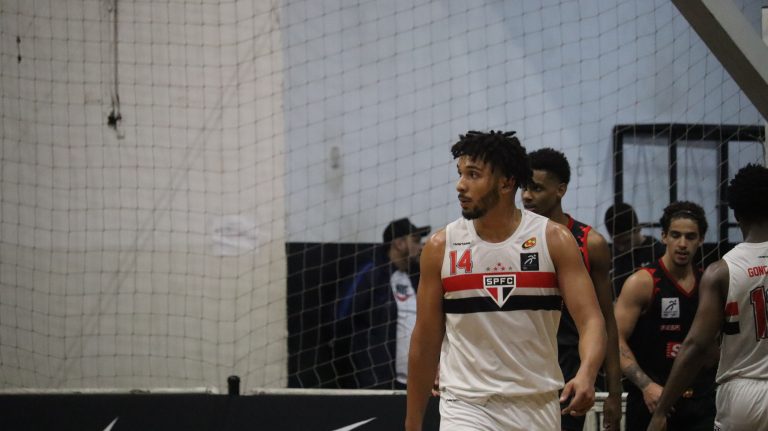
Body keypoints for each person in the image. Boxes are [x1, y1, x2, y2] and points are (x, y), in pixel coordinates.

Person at [406, 131, 607, 431]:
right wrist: (412, 423)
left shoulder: (554, 240)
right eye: (460, 173)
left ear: (506, 182)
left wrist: (587, 373)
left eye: (473, 174)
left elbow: (591, 320)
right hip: (465, 405)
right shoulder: (440, 247)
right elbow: (424, 340)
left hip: (537, 404)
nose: (460, 185)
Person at [648, 164, 768, 431]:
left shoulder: (720, 271)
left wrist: (662, 410)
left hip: (742, 393)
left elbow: (696, 346)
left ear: (735, 213)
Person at [522, 148, 622, 431]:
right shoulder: (512, 239)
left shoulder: (590, 243)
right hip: (522, 365)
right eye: (524, 188)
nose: (526, 196)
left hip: (569, 369)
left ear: (560, 190)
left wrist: (614, 393)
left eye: (536, 188)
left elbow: (607, 321)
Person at [614, 201, 717, 431]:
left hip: (699, 403)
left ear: (701, 240)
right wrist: (646, 385)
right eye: (675, 235)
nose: (682, 244)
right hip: (650, 401)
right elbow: (614, 339)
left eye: (690, 237)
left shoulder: (709, 284)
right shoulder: (642, 282)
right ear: (664, 237)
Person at [337, 217, 430, 389]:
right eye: (416, 241)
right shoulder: (371, 272)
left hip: (412, 380)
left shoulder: (415, 277)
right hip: (377, 380)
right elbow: (342, 314)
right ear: (399, 243)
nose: (421, 247)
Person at [604, 203, 666, 297]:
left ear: (638, 229)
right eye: (617, 242)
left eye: (626, 242)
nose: (621, 247)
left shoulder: (657, 251)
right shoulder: (610, 254)